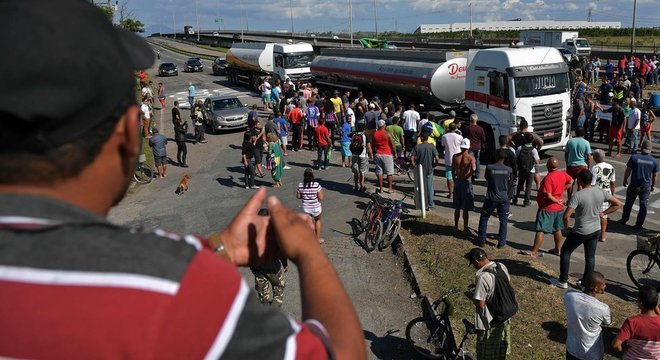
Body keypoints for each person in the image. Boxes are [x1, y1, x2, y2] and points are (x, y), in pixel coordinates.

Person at [0, 1, 366, 358]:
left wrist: (218, 249)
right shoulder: (165, 282)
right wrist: (308, 251)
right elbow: (339, 352)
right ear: (130, 136)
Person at [553, 171, 621, 289]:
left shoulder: (578, 195)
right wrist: (604, 213)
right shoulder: (600, 191)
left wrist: (567, 228)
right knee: (590, 258)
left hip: (581, 230)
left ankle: (563, 280)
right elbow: (617, 203)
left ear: (580, 181)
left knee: (565, 252)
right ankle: (586, 284)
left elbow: (566, 216)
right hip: (596, 229)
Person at [465, 248, 513, 360]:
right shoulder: (501, 266)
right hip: (504, 316)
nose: (473, 266)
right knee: (501, 352)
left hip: (490, 321)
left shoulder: (482, 277)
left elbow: (481, 304)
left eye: (473, 264)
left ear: (477, 262)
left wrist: (471, 296)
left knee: (485, 354)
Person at [521, 157, 573, 258]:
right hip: (559, 208)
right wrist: (562, 190)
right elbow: (571, 181)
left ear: (548, 166)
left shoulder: (549, 178)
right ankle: (558, 250)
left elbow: (548, 195)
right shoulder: (562, 173)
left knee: (540, 230)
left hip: (547, 208)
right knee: (557, 229)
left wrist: (556, 200)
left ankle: (534, 252)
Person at [564, 272, 612, 360]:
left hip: (571, 349)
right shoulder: (603, 308)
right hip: (591, 353)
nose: (605, 286)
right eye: (603, 284)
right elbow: (607, 323)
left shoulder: (569, 296)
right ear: (596, 288)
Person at [612, 285, 660, 360]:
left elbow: (616, 345)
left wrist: (622, 350)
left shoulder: (632, 322)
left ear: (640, 303)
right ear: (656, 303)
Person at [476, 151, 512, 248]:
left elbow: (487, 178)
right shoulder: (508, 169)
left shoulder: (490, 167)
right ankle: (502, 242)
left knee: (484, 218)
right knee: (503, 220)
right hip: (504, 197)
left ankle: (481, 240)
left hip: (492, 196)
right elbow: (510, 182)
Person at [620, 140, 659, 230]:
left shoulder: (634, 157)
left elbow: (628, 170)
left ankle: (624, 220)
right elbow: (655, 175)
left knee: (629, 203)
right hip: (646, 186)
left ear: (642, 147)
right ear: (650, 149)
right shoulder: (654, 161)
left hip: (634, 185)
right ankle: (639, 225)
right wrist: (653, 185)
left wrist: (625, 179)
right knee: (643, 206)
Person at [410, 128, 440, 210]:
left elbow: (412, 157)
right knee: (429, 187)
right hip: (429, 169)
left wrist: (413, 165)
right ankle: (430, 204)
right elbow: (437, 158)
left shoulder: (417, 147)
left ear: (421, 138)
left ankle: (419, 204)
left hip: (419, 169)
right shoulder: (432, 146)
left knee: (419, 187)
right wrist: (435, 165)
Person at [590, 150, 616, 242]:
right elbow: (612, 182)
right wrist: (612, 194)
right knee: (603, 215)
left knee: (593, 214)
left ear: (595, 158)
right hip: (606, 193)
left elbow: (592, 184)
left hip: (596, 194)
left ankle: (592, 233)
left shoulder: (595, 168)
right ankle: (603, 235)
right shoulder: (611, 167)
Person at [452, 139, 476, 232]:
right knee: (465, 208)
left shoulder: (455, 156)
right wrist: (469, 175)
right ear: (469, 147)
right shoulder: (471, 158)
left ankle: (456, 226)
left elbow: (452, 170)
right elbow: (474, 168)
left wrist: (455, 180)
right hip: (466, 182)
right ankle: (465, 227)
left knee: (457, 207)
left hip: (458, 181)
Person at [297, 168, 325, 244]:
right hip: (316, 207)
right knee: (317, 220)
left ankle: (309, 239)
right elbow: (321, 198)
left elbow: (298, 196)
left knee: (308, 224)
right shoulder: (316, 185)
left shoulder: (300, 185)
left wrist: (305, 195)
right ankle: (317, 239)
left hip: (306, 207)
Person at [564, 127, 592, 198]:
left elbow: (566, 153)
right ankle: (579, 199)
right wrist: (589, 166)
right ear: (584, 133)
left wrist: (567, 163)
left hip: (571, 165)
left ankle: (569, 199)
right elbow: (588, 156)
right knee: (580, 184)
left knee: (570, 183)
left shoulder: (570, 141)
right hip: (582, 166)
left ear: (575, 133)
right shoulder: (586, 142)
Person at [514, 134, 539, 207]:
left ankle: (515, 199)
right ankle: (526, 202)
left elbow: (516, 158)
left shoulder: (520, 148)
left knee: (519, 185)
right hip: (531, 170)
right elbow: (537, 161)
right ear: (532, 140)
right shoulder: (533, 150)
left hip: (521, 169)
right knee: (528, 187)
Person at [372, 119, 396, 194]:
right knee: (389, 172)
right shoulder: (387, 133)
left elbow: (373, 145)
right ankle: (390, 188)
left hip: (378, 154)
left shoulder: (375, 134)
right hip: (387, 154)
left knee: (379, 172)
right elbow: (392, 145)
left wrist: (373, 154)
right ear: (384, 125)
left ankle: (381, 188)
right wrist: (395, 153)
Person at [442, 123, 463, 199]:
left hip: (448, 159)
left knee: (449, 177)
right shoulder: (460, 137)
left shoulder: (444, 136)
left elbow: (442, 145)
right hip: (458, 159)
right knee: (458, 176)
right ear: (455, 128)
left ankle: (450, 193)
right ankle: (458, 193)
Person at [496, 135, 517, 202]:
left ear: (499, 142)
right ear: (507, 142)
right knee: (508, 190)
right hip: (508, 174)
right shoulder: (510, 153)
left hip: (497, 173)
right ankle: (507, 205)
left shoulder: (495, 152)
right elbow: (514, 165)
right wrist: (515, 175)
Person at [464, 114, 485, 181]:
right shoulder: (481, 129)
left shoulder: (468, 128)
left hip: (470, 147)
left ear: (470, 120)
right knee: (477, 160)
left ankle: (471, 174)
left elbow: (465, 137)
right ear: (477, 120)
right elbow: (483, 139)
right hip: (478, 147)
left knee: (470, 161)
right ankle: (477, 174)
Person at [352, 123, 370, 192]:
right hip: (363, 155)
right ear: (364, 129)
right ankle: (362, 185)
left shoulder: (354, 135)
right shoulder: (364, 136)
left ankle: (356, 185)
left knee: (356, 171)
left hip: (354, 155)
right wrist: (371, 154)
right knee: (362, 171)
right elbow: (368, 146)